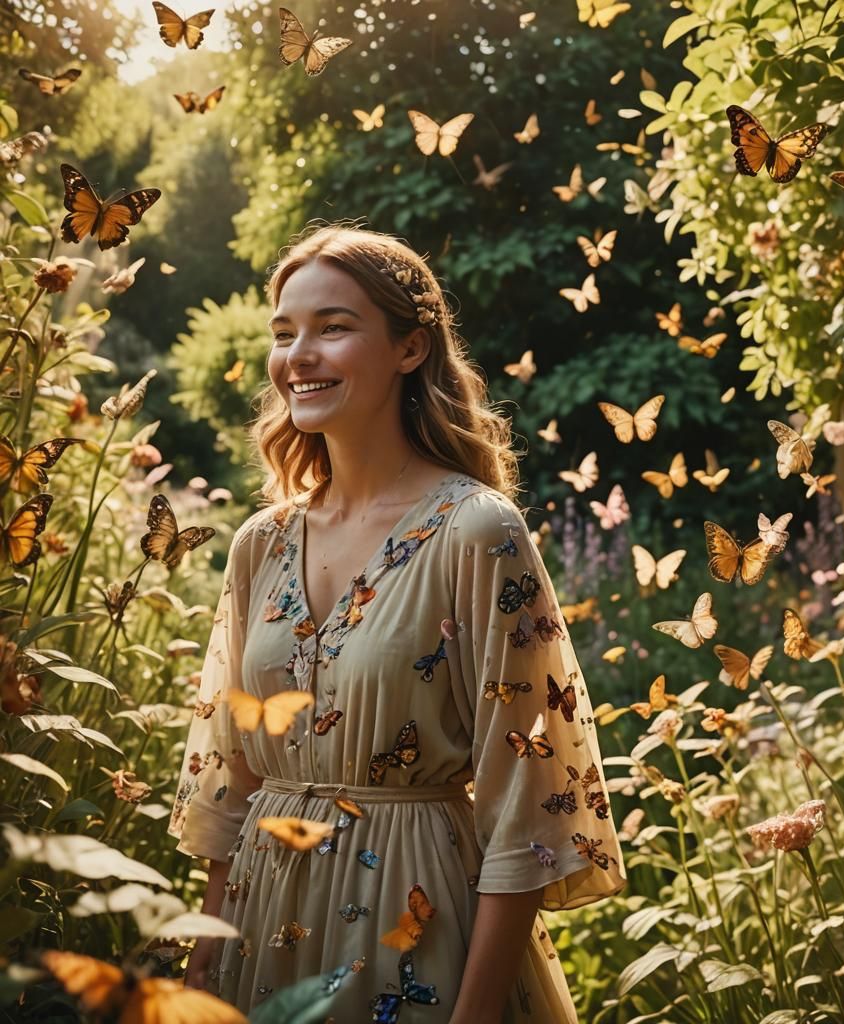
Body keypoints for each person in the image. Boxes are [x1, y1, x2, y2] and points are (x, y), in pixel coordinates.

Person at [168, 222, 625, 1022]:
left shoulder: (476, 532)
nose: (298, 355)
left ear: (411, 349)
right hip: (262, 911)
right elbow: (230, 766)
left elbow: (528, 795)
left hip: (414, 919)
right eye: (285, 334)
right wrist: (207, 945)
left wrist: (474, 1013)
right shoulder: (260, 544)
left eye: (332, 328)